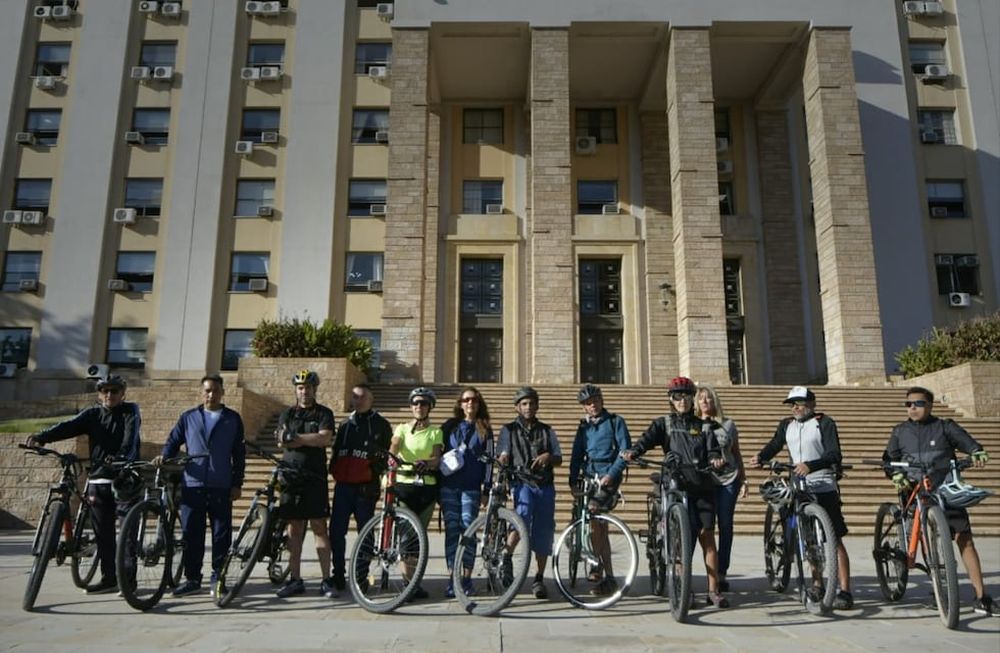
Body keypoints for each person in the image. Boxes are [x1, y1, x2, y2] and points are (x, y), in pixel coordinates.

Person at [884, 386, 995, 616]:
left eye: (918, 403)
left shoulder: (945, 427)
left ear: (930, 405)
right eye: (908, 404)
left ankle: (981, 596)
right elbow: (889, 459)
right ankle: (939, 589)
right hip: (913, 490)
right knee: (926, 540)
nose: (912, 408)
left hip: (945, 488)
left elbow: (967, 442)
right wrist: (895, 474)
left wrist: (976, 451)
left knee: (964, 539)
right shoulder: (900, 431)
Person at [27, 374, 141, 594]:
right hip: (98, 478)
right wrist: (42, 437)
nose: (109, 395)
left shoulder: (130, 411)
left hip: (124, 478)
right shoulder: (92, 414)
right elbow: (68, 426)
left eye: (114, 391)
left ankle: (128, 581)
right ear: (99, 394)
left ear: (122, 393)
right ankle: (109, 579)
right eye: (105, 391)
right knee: (103, 533)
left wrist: (122, 457)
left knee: (127, 533)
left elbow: (130, 439)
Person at [623, 376, 728, 608]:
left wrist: (716, 460)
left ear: (692, 399)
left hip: (702, 485)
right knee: (681, 540)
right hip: (677, 486)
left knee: (707, 537)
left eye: (687, 396)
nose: (682, 401)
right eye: (677, 397)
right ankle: (683, 589)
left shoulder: (704, 426)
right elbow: (645, 441)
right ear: (671, 399)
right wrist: (634, 452)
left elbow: (712, 451)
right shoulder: (664, 424)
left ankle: (713, 591)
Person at [750, 385, 853, 610]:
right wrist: (761, 457)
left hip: (823, 484)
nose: (796, 408)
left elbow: (834, 454)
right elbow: (775, 444)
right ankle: (817, 584)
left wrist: (810, 465)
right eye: (792, 404)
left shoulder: (824, 423)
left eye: (800, 403)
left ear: (812, 404)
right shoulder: (787, 424)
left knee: (834, 538)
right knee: (809, 539)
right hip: (799, 485)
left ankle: (845, 590)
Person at [159, 374, 245, 597]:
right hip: (193, 484)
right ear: (201, 392)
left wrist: (237, 483)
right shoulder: (189, 417)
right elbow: (173, 441)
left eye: (215, 390)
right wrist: (165, 456)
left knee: (221, 535)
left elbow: (239, 454)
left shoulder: (232, 419)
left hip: (221, 484)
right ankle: (192, 579)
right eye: (207, 390)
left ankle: (218, 578)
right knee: (191, 534)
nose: (211, 394)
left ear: (222, 392)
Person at [327, 383, 393, 598]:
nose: (358, 400)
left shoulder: (381, 424)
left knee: (365, 533)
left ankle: (360, 576)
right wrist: (334, 470)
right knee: (336, 532)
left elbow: (387, 455)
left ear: (371, 400)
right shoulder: (345, 424)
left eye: (363, 397)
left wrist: (373, 473)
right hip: (343, 487)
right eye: (355, 397)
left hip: (366, 488)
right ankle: (338, 574)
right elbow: (336, 450)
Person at [273, 369, 335, 599]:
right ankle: (295, 580)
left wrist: (296, 438)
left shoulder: (324, 413)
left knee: (320, 527)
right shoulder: (287, 414)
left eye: (308, 387)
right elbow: (281, 441)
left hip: (315, 478)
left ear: (314, 389)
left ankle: (326, 580)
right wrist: (308, 439)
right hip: (290, 478)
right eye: (300, 387)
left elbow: (324, 438)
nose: (304, 391)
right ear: (296, 390)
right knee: (294, 530)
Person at [497, 386, 562, 600]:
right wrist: (503, 459)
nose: (528, 407)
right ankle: (507, 556)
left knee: (544, 531)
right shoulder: (508, 430)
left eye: (532, 403)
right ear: (517, 407)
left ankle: (539, 578)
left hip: (544, 485)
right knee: (521, 517)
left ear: (537, 406)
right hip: (522, 482)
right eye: (524, 404)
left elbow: (559, 457)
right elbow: (502, 453)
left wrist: (548, 457)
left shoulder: (547, 430)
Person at [568, 383, 631, 597]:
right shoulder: (583, 427)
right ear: (584, 407)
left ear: (602, 401)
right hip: (589, 476)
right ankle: (608, 577)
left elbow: (624, 451)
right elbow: (576, 455)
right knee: (598, 526)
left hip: (608, 476)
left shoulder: (616, 421)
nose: (592, 405)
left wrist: (611, 474)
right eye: (588, 403)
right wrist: (572, 480)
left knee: (595, 514)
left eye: (595, 401)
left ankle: (597, 565)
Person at [389, 386, 444, 600]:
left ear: (430, 407)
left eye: (423, 403)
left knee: (419, 536)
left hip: (426, 488)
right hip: (404, 486)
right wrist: (392, 457)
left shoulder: (435, 432)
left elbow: (437, 458)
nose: (419, 406)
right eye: (415, 403)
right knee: (406, 535)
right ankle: (407, 583)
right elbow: (395, 445)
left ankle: (414, 582)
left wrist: (427, 462)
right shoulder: (402, 428)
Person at [439, 386, 493, 599]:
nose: (470, 403)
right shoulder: (449, 427)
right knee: (452, 530)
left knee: (469, 529)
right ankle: (452, 577)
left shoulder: (485, 429)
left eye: (474, 400)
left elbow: (489, 461)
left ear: (479, 404)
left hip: (471, 487)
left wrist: (486, 488)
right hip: (449, 486)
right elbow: (439, 453)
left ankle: (467, 578)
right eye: (466, 400)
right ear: (460, 404)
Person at [695, 384, 746, 593]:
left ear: (715, 401)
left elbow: (736, 452)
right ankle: (711, 573)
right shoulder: (694, 424)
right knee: (705, 528)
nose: (705, 401)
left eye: (708, 398)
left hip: (728, 480)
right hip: (704, 480)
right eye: (701, 398)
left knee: (725, 525)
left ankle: (722, 571)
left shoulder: (728, 425)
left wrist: (743, 479)